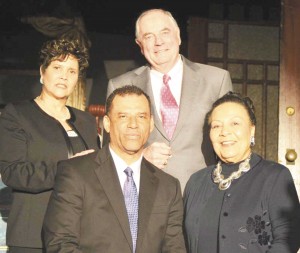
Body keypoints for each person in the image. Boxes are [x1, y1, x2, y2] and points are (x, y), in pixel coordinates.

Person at [43, 85, 186, 253]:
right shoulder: (75, 173)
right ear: (107, 124)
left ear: (151, 123)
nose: (133, 124)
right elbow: (60, 244)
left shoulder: (169, 186)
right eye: (123, 116)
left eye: (141, 116)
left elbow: (174, 248)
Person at [106, 8, 233, 190]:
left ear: (178, 36)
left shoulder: (216, 80)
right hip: (143, 194)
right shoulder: (119, 86)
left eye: (165, 33)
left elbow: (230, 143)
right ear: (140, 45)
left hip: (203, 193)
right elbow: (110, 152)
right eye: (149, 36)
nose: (159, 42)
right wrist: (140, 157)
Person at [0, 38, 100, 253]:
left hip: (79, 236)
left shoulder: (87, 121)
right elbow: (12, 172)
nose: (64, 76)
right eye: (57, 67)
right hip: (33, 235)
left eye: (72, 71)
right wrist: (66, 169)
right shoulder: (17, 114)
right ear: (42, 72)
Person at [183, 91, 300, 253]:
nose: (225, 132)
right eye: (216, 125)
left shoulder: (275, 177)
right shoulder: (196, 182)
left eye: (235, 123)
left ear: (252, 130)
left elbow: (288, 238)